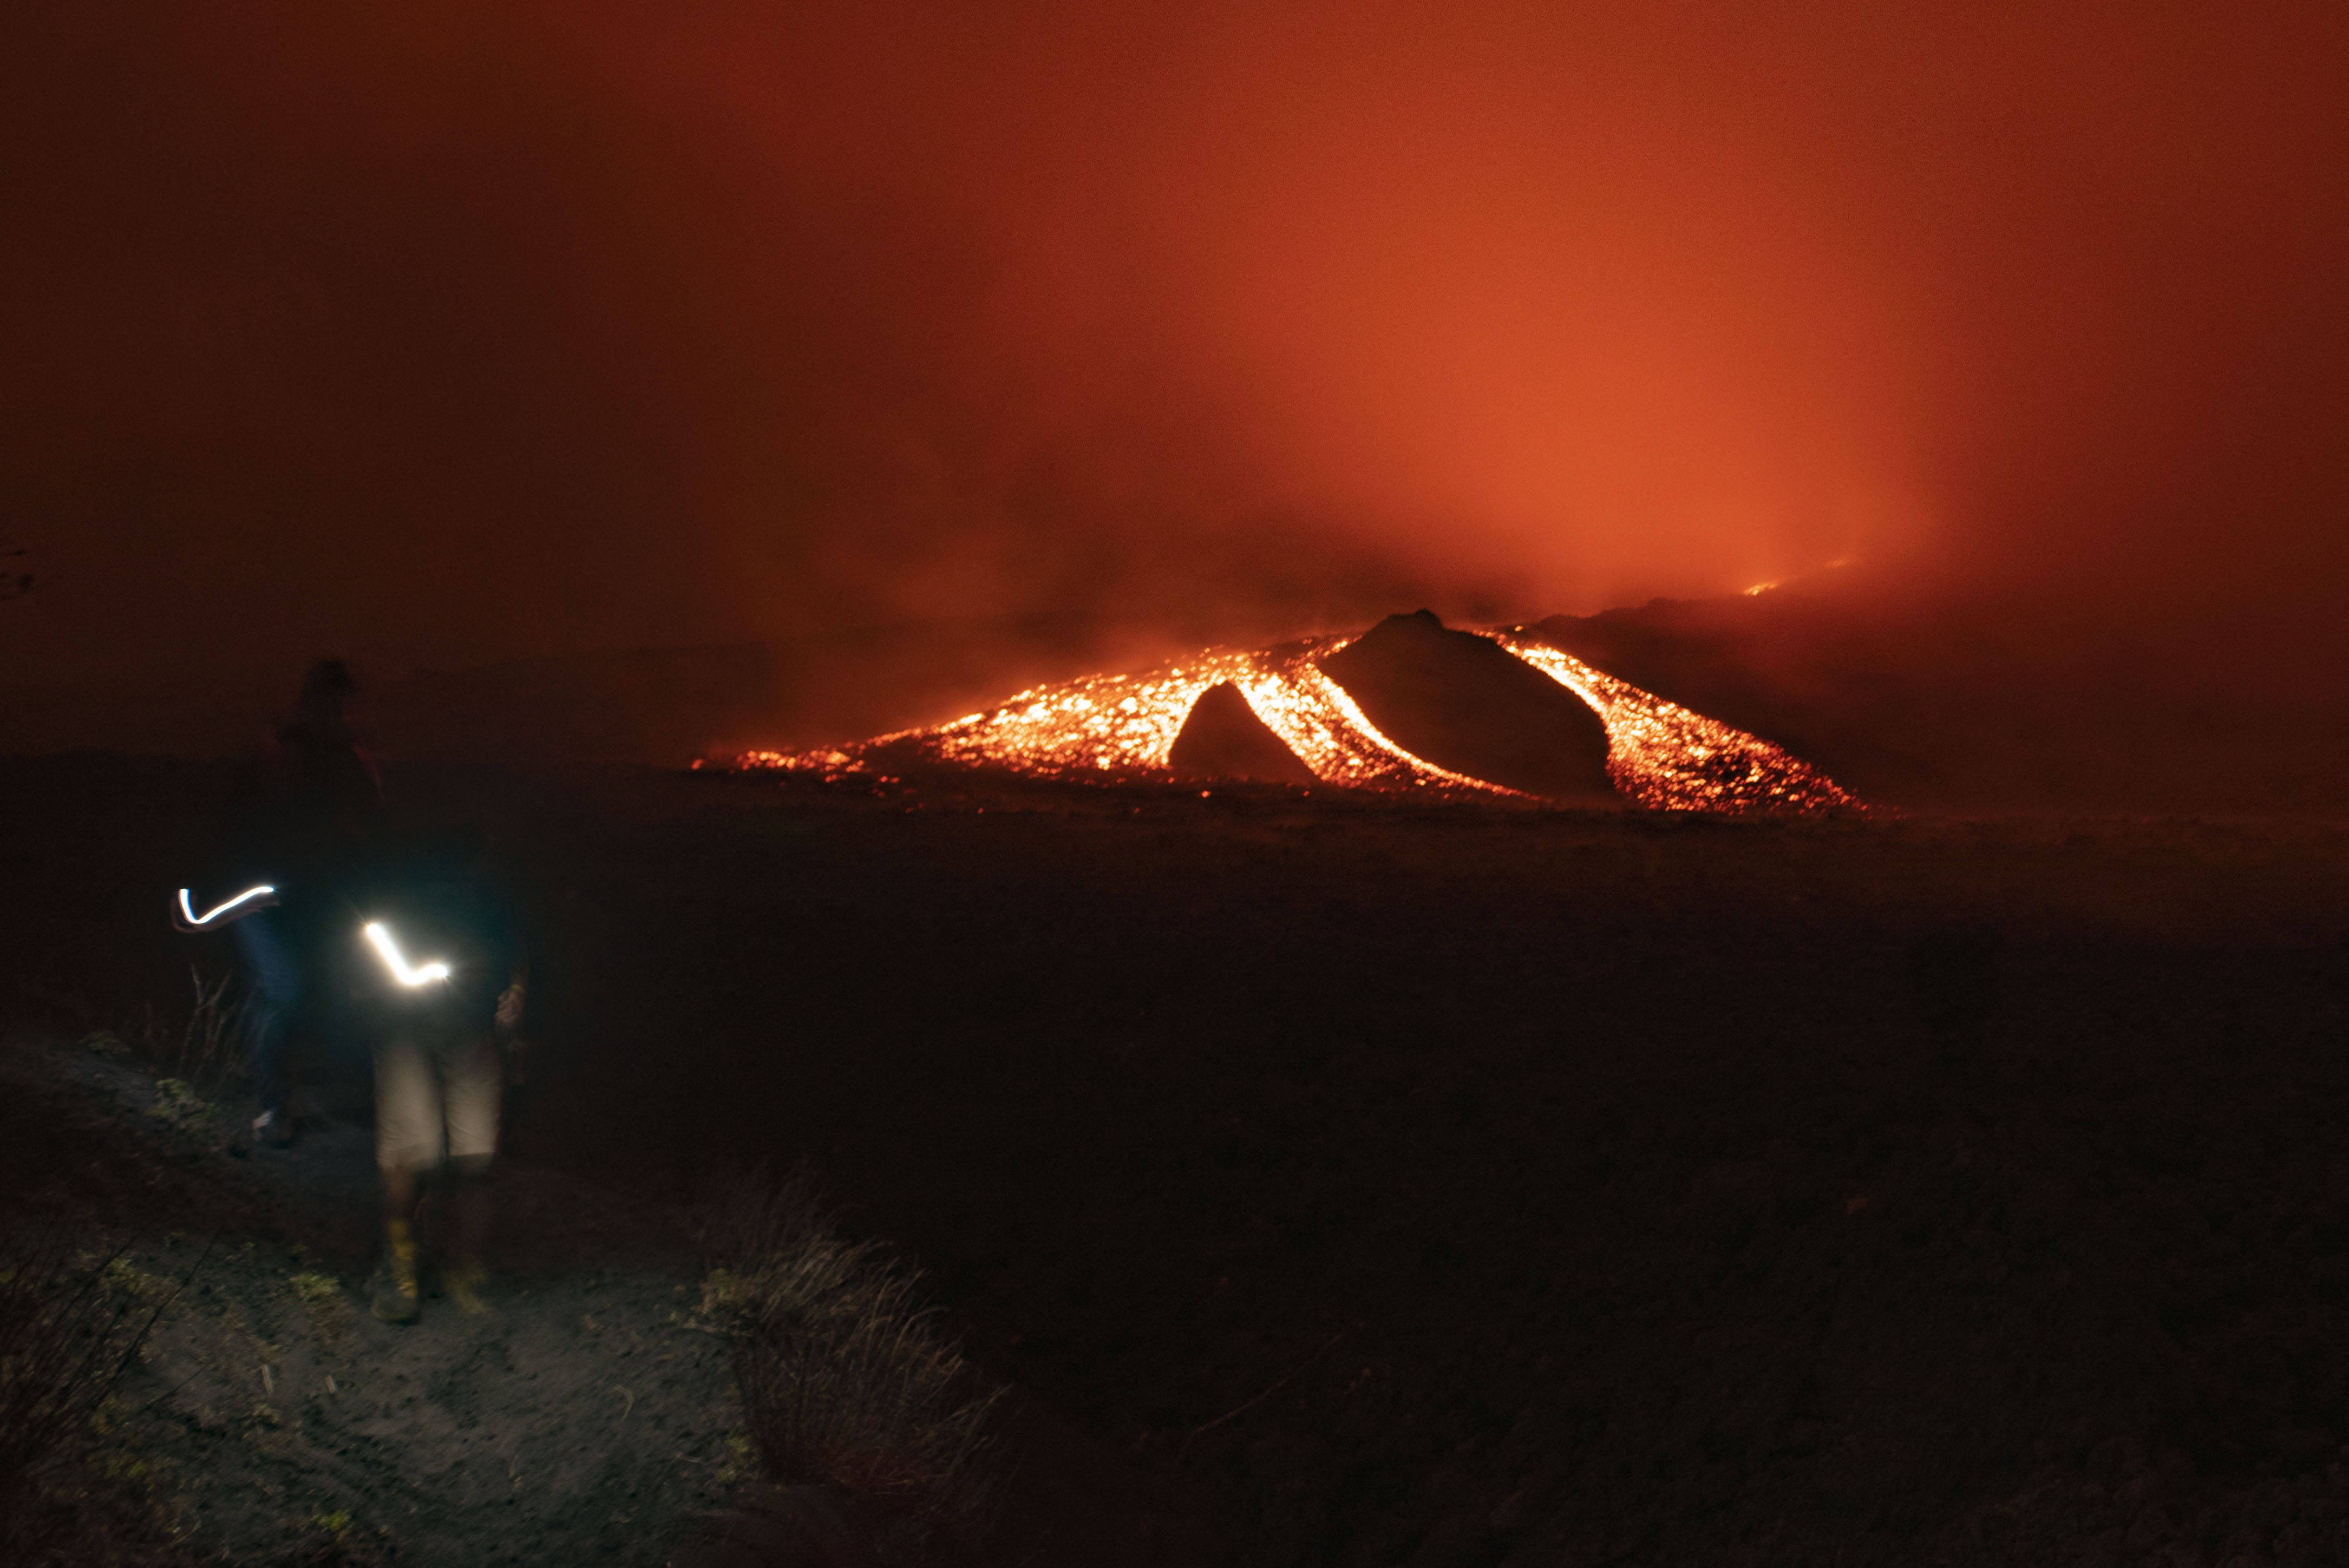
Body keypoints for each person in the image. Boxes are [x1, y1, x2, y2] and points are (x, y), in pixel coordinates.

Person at [351, 826, 525, 1324]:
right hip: (404, 1029)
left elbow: (513, 951)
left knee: (476, 1157)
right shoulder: (395, 899)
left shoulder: (491, 897)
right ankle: (398, 1261)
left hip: (472, 1030)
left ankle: (464, 1263)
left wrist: (515, 1001)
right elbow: (363, 964)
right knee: (413, 1152)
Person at [215, 658, 387, 1149]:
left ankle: (302, 1098)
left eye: (343, 703)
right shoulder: (285, 752)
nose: (339, 710)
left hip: (313, 891)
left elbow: (371, 823)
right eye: (332, 701)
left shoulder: (346, 756)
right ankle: (274, 1105)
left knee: (318, 989)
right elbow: (245, 818)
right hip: (266, 892)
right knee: (282, 989)